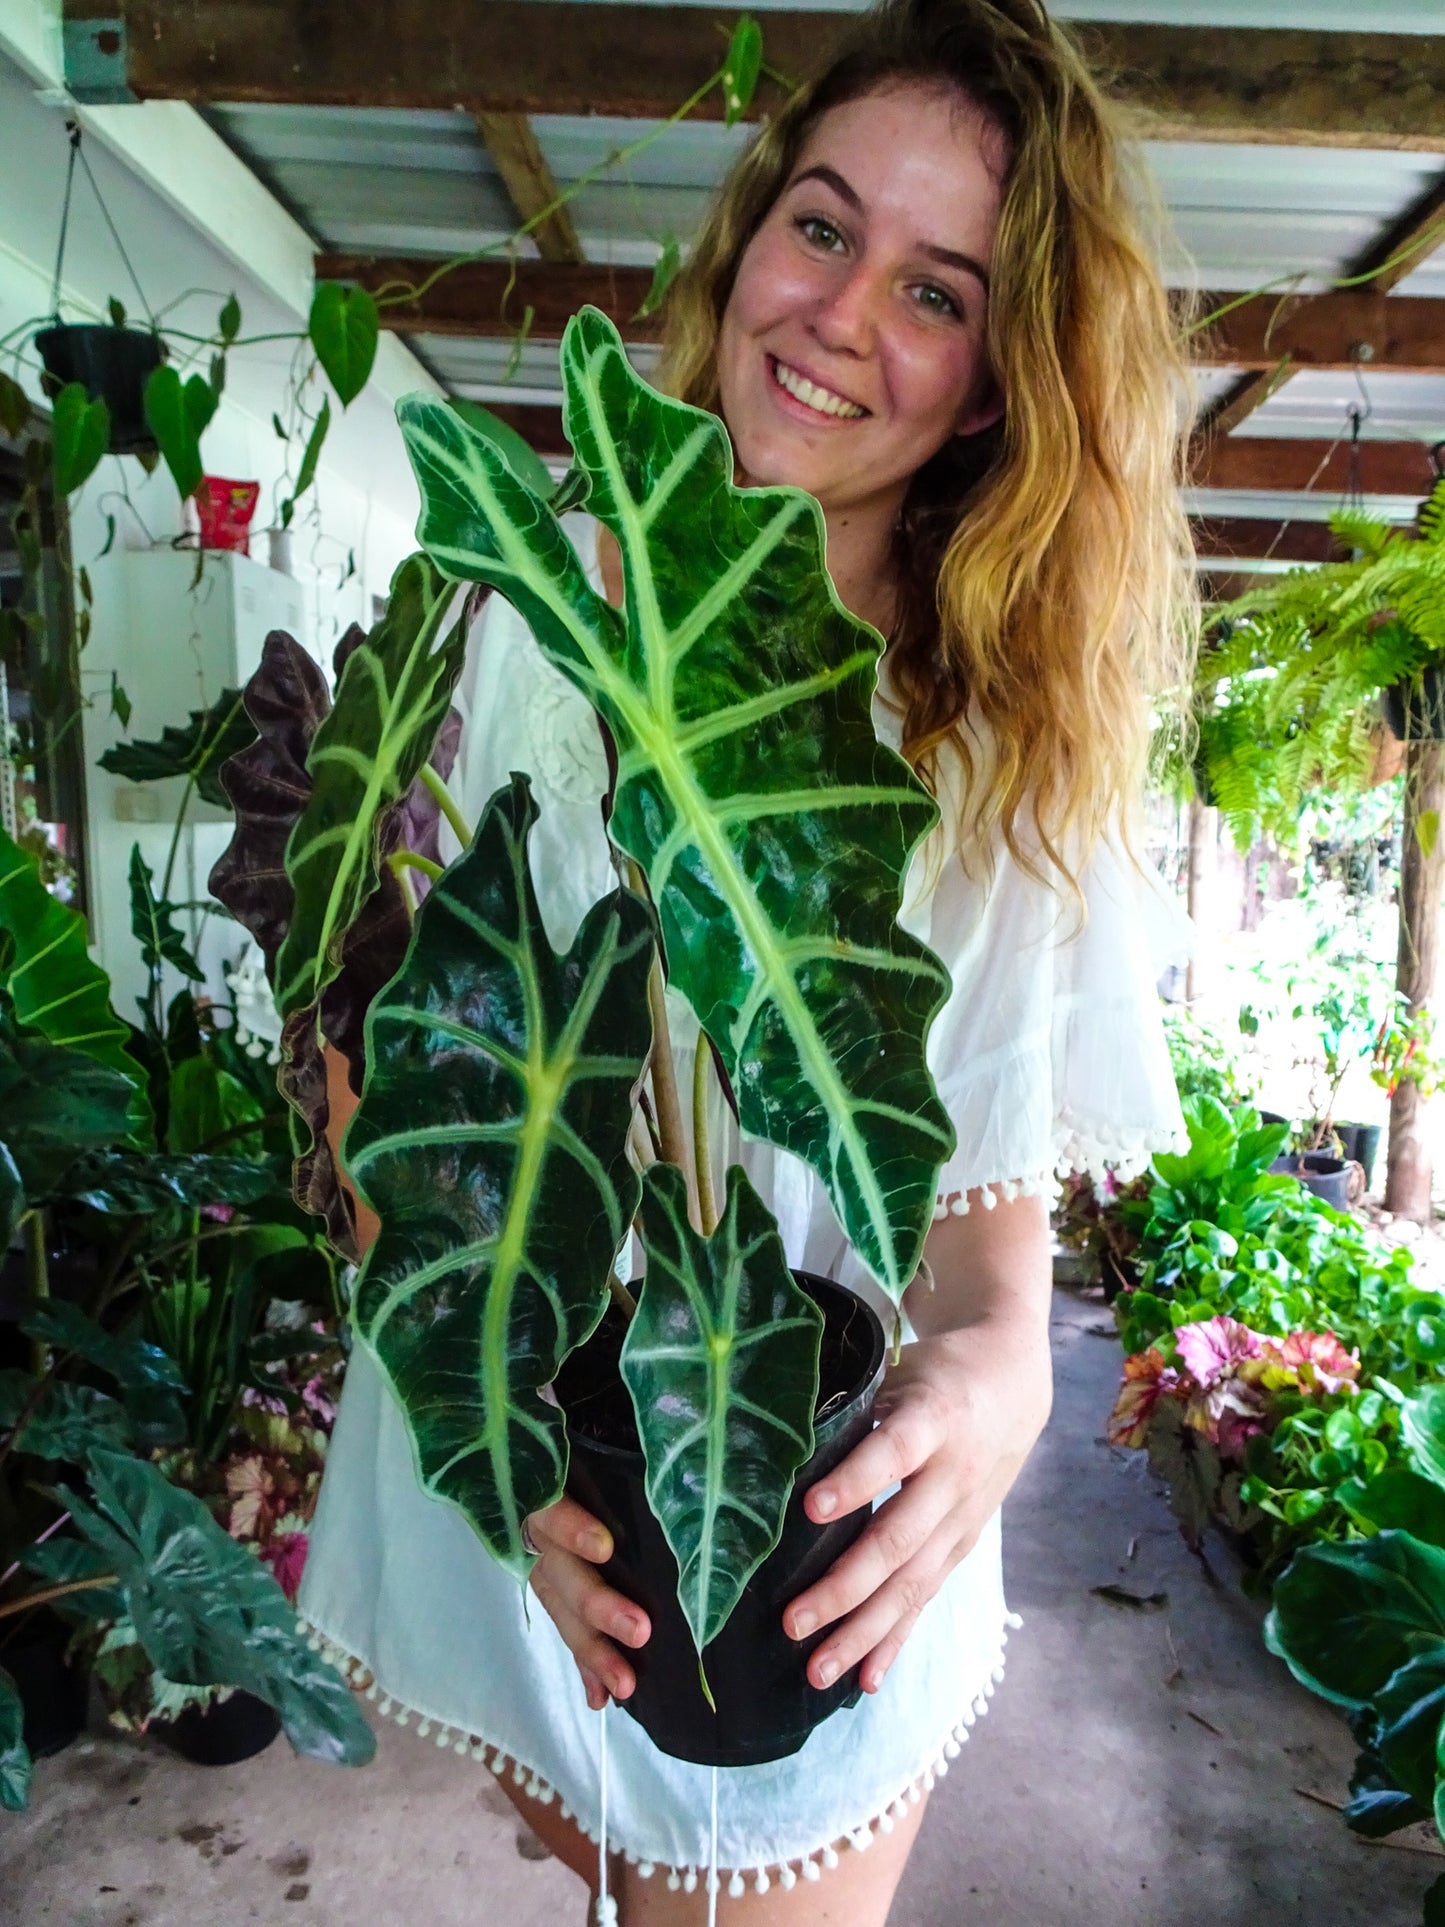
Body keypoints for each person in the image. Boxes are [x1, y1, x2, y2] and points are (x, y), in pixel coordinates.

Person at [298, 0, 1197, 1919]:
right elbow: (397, 1075)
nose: (842, 315)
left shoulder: (999, 749)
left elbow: (983, 1282)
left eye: (939, 291)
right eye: (820, 226)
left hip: (800, 1517)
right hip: (543, 1455)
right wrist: (484, 1427)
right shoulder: (527, 606)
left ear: (1000, 386)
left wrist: (989, 1393)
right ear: (743, 236)